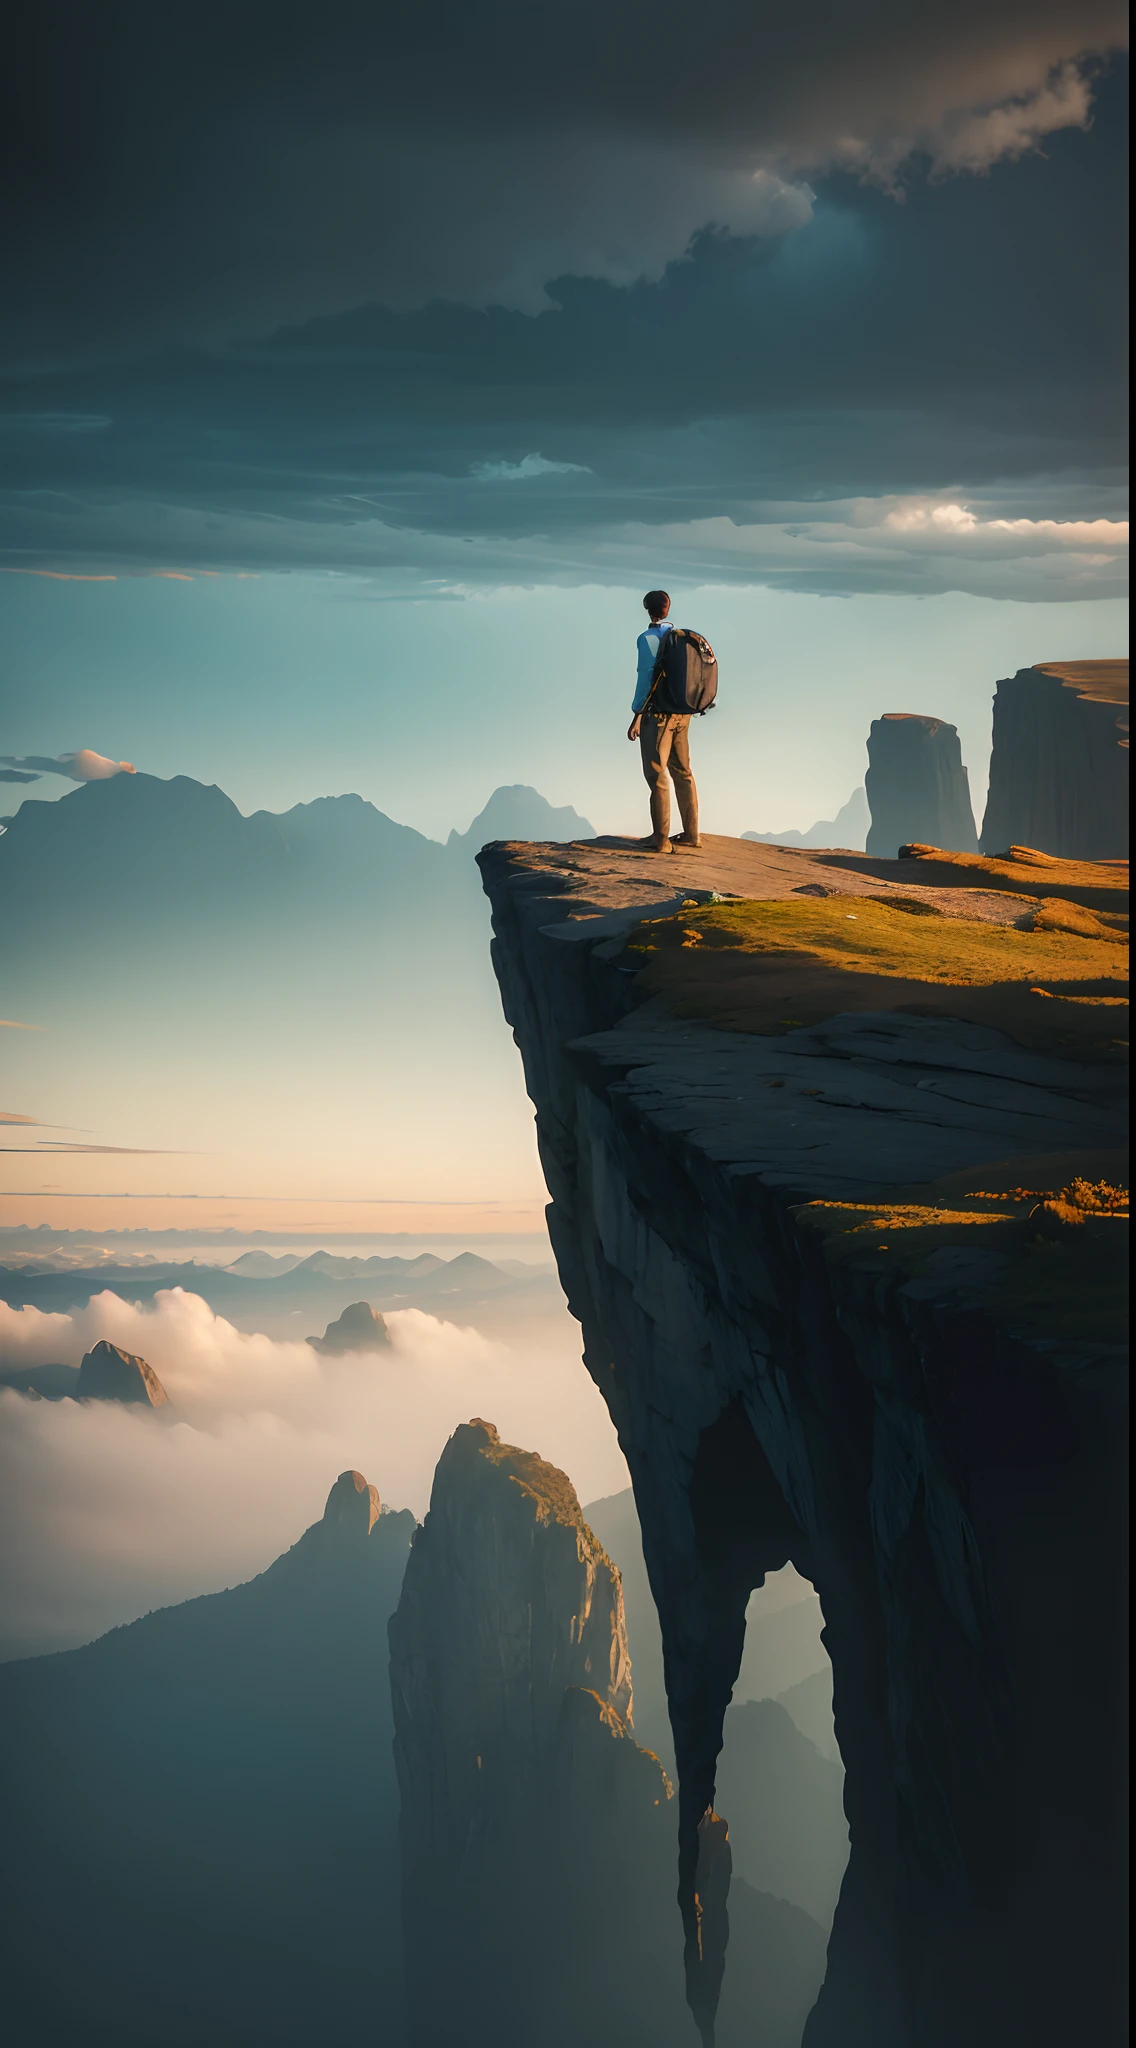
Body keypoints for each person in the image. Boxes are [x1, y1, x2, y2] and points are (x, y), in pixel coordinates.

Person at [627, 589, 701, 852]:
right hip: (683, 713)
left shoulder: (647, 638)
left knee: (657, 773)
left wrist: (637, 714)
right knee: (684, 772)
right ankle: (692, 835)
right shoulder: (681, 638)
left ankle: (661, 839)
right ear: (667, 609)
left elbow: (646, 676)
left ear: (647, 608)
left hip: (657, 715)